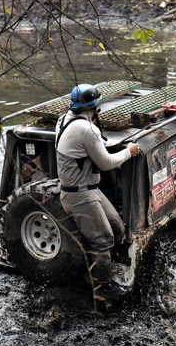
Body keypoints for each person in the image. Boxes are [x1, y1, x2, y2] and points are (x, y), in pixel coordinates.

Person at [55, 83, 139, 300]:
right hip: (80, 195)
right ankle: (102, 289)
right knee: (103, 241)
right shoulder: (87, 129)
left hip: (86, 190)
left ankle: (99, 272)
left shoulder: (64, 120)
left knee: (117, 228)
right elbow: (106, 163)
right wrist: (129, 152)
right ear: (95, 107)